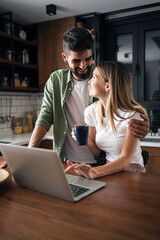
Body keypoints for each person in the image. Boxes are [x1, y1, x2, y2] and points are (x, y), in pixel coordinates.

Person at [0, 28, 149, 169]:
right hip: (68, 160)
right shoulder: (56, 80)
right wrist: (27, 153)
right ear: (65, 57)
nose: (84, 66)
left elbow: (122, 108)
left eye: (88, 59)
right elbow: (45, 116)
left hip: (100, 160)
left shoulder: (101, 78)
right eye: (77, 60)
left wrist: (142, 125)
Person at [65, 61, 148, 178]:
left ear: (107, 85)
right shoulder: (91, 111)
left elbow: (126, 160)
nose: (89, 81)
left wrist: (94, 171)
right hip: (107, 168)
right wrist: (83, 140)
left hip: (131, 170)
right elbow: (96, 151)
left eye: (93, 77)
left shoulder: (132, 114)